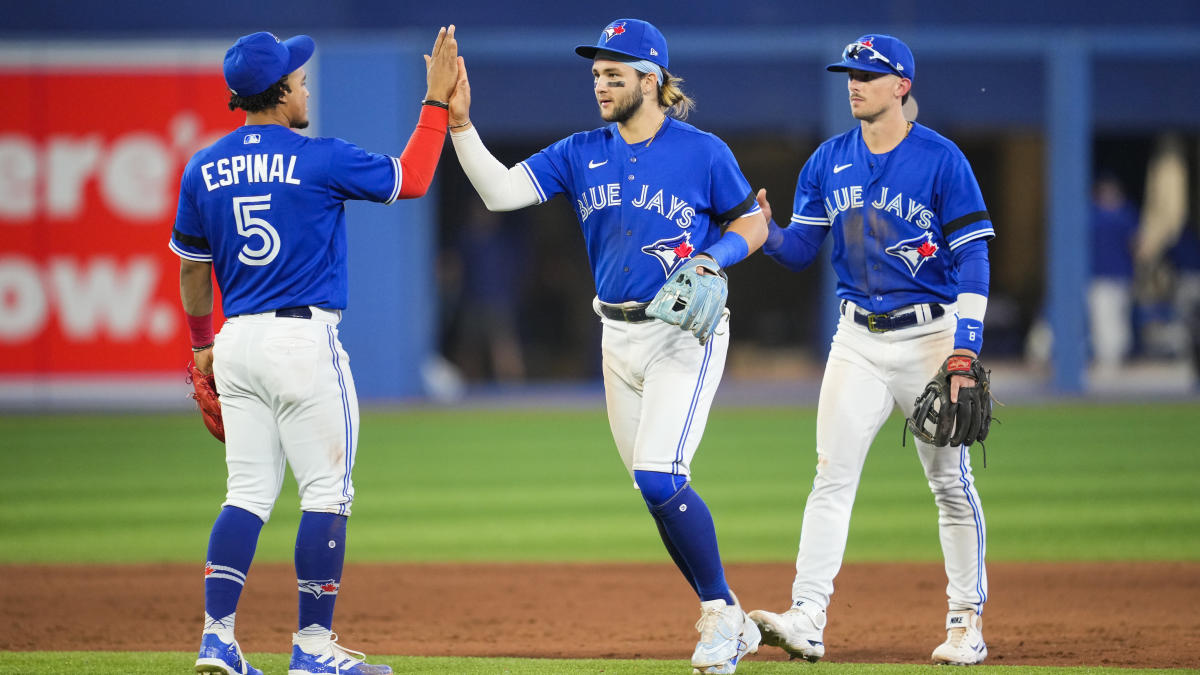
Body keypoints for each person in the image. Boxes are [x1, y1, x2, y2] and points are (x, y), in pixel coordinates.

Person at [446, 18, 767, 674]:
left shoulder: (702, 150)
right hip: (615, 336)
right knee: (654, 491)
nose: (600, 83)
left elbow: (752, 220)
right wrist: (460, 125)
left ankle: (716, 618)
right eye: (595, 73)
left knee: (659, 475)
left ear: (651, 80)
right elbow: (501, 191)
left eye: (613, 73)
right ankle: (731, 610)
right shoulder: (580, 150)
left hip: (684, 333)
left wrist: (715, 257)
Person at [171, 27, 459, 675]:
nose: (305, 86)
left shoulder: (202, 166)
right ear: (277, 93)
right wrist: (434, 102)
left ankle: (217, 637)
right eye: (298, 80)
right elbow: (411, 179)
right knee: (327, 492)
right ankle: (313, 648)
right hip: (301, 338)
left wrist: (201, 347)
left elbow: (193, 269)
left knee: (245, 492)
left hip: (236, 338)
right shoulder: (318, 156)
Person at [747, 35, 994, 666]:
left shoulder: (941, 160)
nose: (853, 83)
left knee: (949, 483)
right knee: (830, 476)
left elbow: (974, 259)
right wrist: (764, 233)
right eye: (849, 73)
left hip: (932, 337)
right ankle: (807, 616)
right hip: (855, 338)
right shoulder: (828, 160)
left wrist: (964, 351)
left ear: (901, 86)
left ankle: (966, 622)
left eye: (867, 73)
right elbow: (801, 252)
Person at [1088, 173, 1139, 370]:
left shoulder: (1126, 214)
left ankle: (1116, 358)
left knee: (1119, 317)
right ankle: (1107, 359)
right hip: (1098, 275)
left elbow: (1136, 243)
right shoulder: (1092, 215)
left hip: (1121, 274)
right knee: (1102, 317)